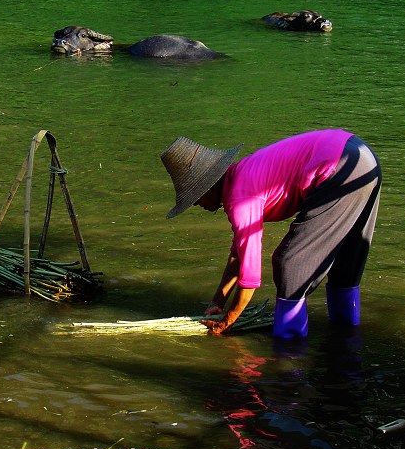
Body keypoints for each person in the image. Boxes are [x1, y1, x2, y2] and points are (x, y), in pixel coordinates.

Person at [160, 129, 381, 338]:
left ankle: (289, 353)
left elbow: (250, 276)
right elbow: (239, 253)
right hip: (363, 158)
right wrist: (217, 301)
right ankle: (348, 339)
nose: (196, 204)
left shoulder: (240, 199)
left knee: (290, 263)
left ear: (207, 187)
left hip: (338, 168)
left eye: (194, 197)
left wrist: (227, 321)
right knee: (346, 262)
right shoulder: (243, 175)